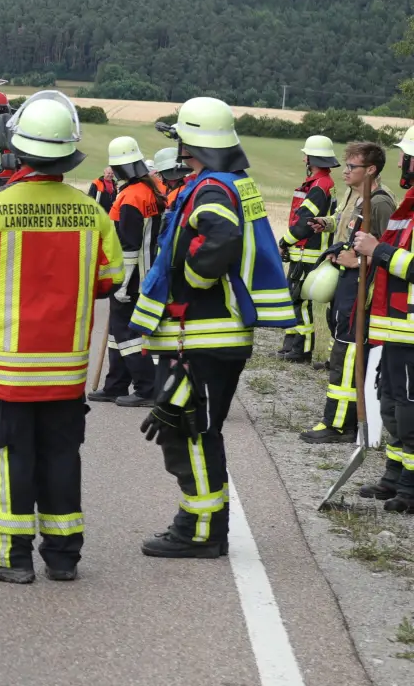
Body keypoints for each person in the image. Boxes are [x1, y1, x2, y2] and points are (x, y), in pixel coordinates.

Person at [0, 91, 123, 584]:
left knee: (11, 459)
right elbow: (110, 280)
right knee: (61, 456)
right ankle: (63, 556)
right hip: (65, 368)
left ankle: (10, 557)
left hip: (5, 369)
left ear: (17, 150)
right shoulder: (92, 213)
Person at [128, 97, 297, 558]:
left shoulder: (212, 189)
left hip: (202, 338)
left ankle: (201, 533)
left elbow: (220, 239)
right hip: (209, 337)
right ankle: (198, 523)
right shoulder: (231, 183)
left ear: (192, 140)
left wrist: (196, 279)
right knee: (191, 432)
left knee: (191, 434)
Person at [303, 141, 394, 443]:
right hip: (345, 282)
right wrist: (326, 226)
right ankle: (341, 419)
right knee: (341, 346)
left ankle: (340, 425)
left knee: (349, 349)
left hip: (361, 287)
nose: (345, 171)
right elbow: (346, 229)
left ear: (370, 169)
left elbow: (385, 249)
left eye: (352, 166)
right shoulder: (354, 194)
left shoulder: (380, 203)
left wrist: (356, 261)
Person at [352, 125, 414, 513]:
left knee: (409, 411)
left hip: (411, 331)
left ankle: (410, 487)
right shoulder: (409, 206)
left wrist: (380, 251)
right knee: (391, 405)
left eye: (407, 156)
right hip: (395, 326)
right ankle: (394, 476)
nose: (404, 163)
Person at [90, 136, 165, 407]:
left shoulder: (132, 197)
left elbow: (129, 247)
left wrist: (121, 286)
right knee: (117, 334)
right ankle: (116, 385)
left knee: (129, 336)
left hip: (131, 280)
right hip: (144, 276)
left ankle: (147, 389)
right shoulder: (150, 191)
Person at [277, 135, 339, 363]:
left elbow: (304, 222)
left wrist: (284, 241)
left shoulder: (319, 186)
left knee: (300, 300)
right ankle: (291, 343)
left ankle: (301, 349)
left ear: (311, 158)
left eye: (306, 154)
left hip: (307, 252)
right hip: (307, 251)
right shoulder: (322, 184)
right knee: (295, 299)